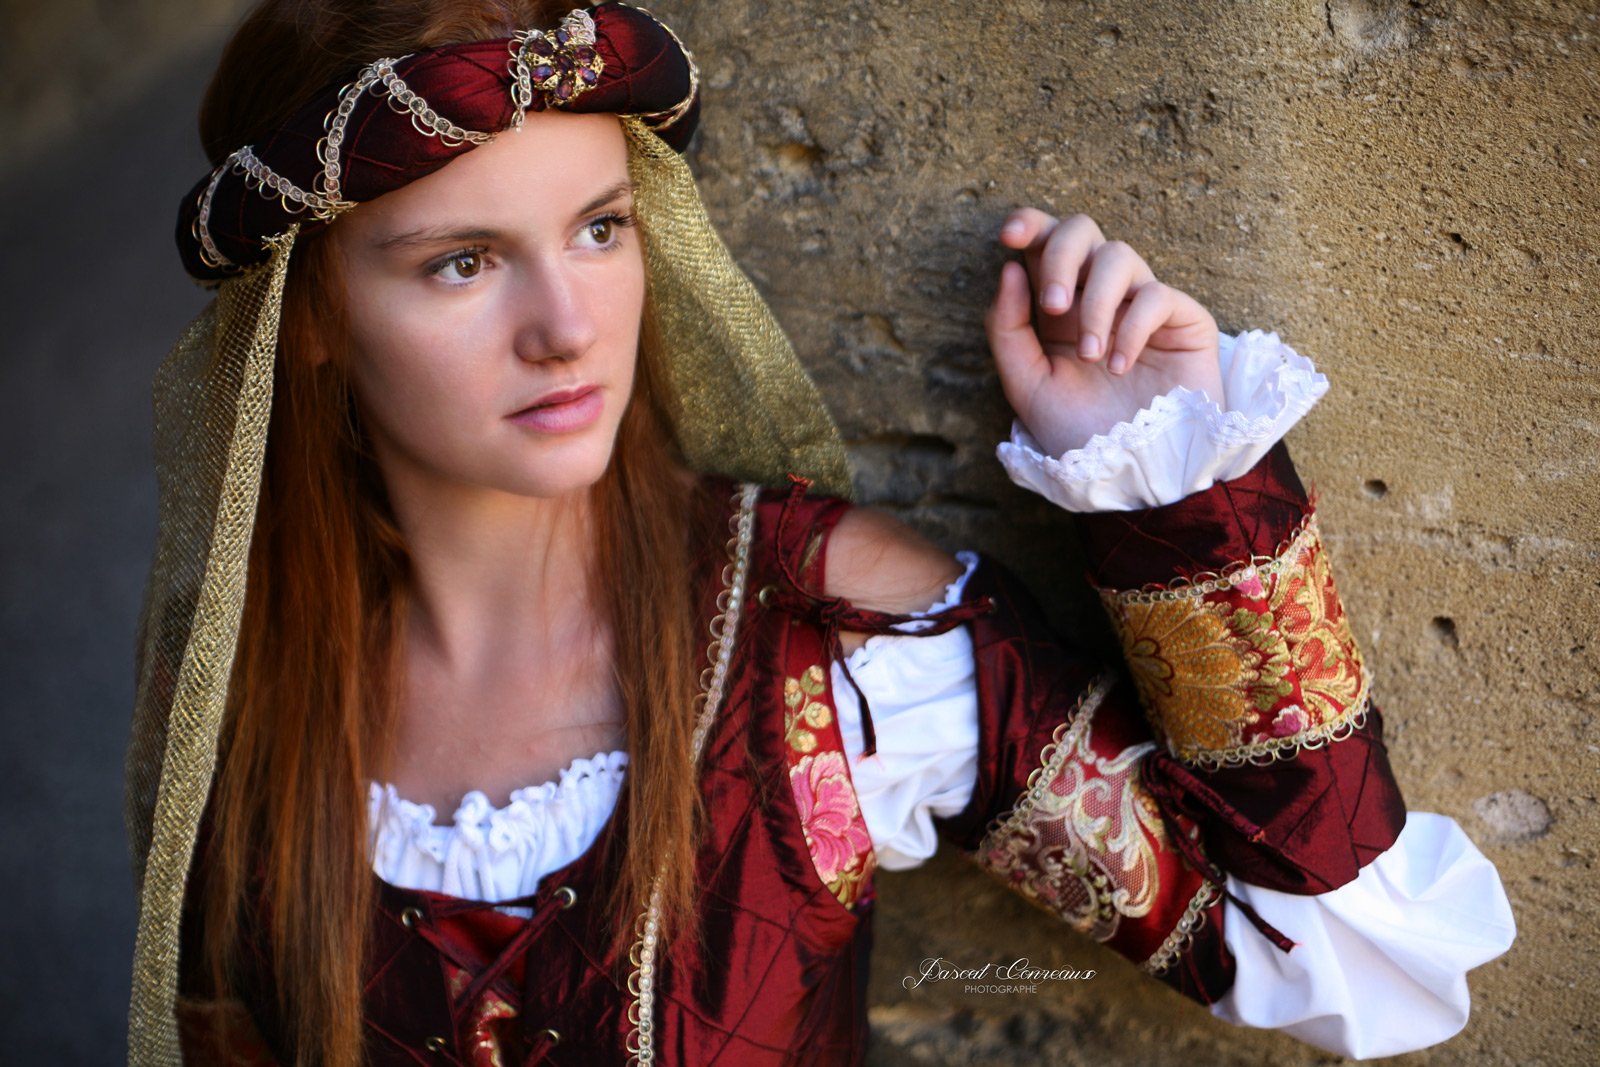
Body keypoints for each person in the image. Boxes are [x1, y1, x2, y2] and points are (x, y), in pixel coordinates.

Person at [123, 1, 1515, 1063]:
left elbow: (1335, 955)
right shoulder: (241, 693)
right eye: (464, 263)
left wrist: (1177, 494)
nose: (567, 328)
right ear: (306, 322)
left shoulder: (835, 649)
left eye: (601, 230)